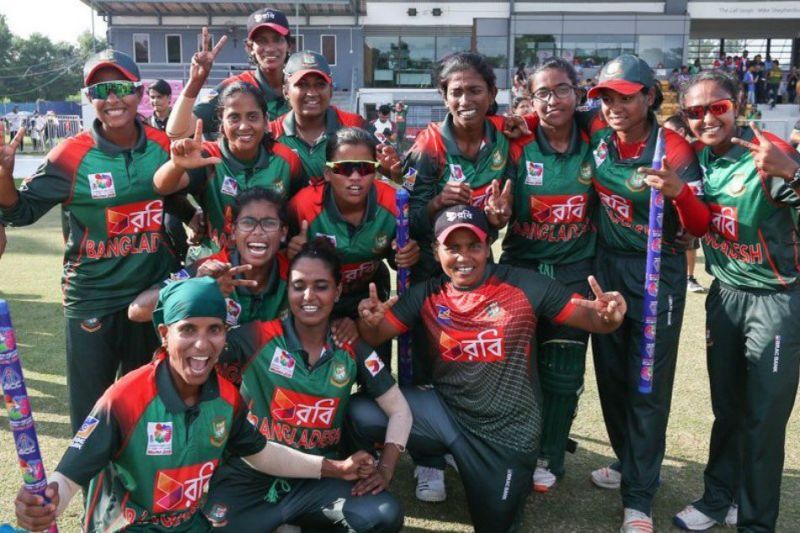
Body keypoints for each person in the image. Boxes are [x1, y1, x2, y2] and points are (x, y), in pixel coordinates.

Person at [13, 277, 376, 532]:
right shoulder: (124, 398)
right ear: (164, 334)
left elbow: (261, 453)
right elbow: (69, 476)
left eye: (214, 330)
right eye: (188, 329)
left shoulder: (226, 396)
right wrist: (43, 506)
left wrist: (336, 467)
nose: (203, 345)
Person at [348, 205, 627, 533]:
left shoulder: (526, 287)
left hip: (506, 434)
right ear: (437, 252)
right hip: (446, 416)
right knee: (358, 411)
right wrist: (369, 322)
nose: (463, 257)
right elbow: (377, 334)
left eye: (473, 246)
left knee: (495, 525)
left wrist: (610, 316)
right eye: (452, 248)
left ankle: (500, 482)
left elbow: (592, 319)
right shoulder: (427, 294)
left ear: (488, 247)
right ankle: (355, 492)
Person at [0, 50, 180, 434]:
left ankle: (135, 491)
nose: (112, 99)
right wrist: (3, 176)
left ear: (139, 92)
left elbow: (186, 194)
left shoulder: (162, 145)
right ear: (88, 97)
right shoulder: (70, 154)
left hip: (150, 297)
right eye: (101, 90)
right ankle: (94, 493)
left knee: (145, 405)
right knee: (91, 414)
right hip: (91, 298)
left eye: (121, 88)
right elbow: (20, 212)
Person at [655, 70, 800, 532]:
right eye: (695, 112)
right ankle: (719, 497)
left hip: (775, 302)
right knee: (728, 412)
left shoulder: (767, 153)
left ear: (738, 103)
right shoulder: (696, 161)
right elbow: (699, 221)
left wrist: (794, 170)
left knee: (762, 422)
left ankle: (755, 523)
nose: (706, 119)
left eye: (717, 107)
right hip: (725, 296)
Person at [204, 239, 410, 532]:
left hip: (320, 480)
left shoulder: (349, 344)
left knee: (384, 514)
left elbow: (400, 409)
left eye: (321, 286)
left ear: (338, 291)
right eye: (299, 286)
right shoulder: (255, 338)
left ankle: (294, 521)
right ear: (288, 290)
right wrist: (205, 294)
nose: (309, 295)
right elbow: (197, 355)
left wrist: (386, 469)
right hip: (249, 476)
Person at [581, 54, 704, 532]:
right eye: (606, 96)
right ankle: (627, 460)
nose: (613, 105)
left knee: (646, 384)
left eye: (625, 96)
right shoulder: (598, 131)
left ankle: (639, 497)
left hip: (656, 273)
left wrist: (679, 193)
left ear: (649, 97)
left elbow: (697, 227)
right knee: (610, 376)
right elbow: (555, 115)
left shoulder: (672, 148)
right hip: (607, 267)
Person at [402, 51, 513, 502]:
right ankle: (427, 461)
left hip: (476, 275)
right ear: (443, 97)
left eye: (474, 90)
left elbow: (502, 212)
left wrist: (498, 219)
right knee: (424, 365)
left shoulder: (506, 140)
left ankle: (460, 446)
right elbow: (401, 216)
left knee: (467, 365)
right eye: (456, 91)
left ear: (491, 95)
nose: (465, 99)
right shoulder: (426, 145)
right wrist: (434, 204)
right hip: (429, 274)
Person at [501, 57, 597, 492]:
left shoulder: (597, 139)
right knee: (517, 367)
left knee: (563, 368)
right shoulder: (516, 143)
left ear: (577, 92)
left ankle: (550, 454)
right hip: (521, 269)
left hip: (574, 270)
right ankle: (515, 446)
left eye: (562, 89)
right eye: (542, 92)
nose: (553, 99)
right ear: (530, 98)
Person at [287, 127, 420, 365]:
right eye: (345, 169)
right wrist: (290, 254)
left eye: (366, 168)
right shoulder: (303, 206)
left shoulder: (394, 202)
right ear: (327, 173)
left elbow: (395, 256)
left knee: (376, 370)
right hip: (319, 298)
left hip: (369, 296)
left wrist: (405, 254)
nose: (356, 177)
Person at [154, 81, 304, 257]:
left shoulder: (286, 160)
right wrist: (176, 165)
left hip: (269, 264)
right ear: (221, 123)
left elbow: (300, 208)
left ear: (265, 122)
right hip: (216, 263)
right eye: (234, 118)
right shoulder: (207, 157)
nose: (243, 126)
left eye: (252, 117)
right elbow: (161, 187)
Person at [171, 8, 292, 141]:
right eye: (262, 41)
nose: (270, 48)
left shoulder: (302, 86)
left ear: (289, 45)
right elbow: (176, 133)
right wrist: (194, 82)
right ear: (250, 47)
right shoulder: (234, 87)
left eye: (277, 39)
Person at [269, 51, 370, 185]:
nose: (312, 93)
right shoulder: (270, 135)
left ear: (331, 90)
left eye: (320, 84)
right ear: (286, 91)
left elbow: (399, 176)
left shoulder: (356, 126)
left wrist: (395, 174)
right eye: (302, 85)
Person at [663, 114, 707, 294]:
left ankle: (689, 277)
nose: (664, 136)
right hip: (672, 208)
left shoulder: (696, 150)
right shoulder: (668, 152)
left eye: (668, 131)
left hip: (693, 205)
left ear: (681, 131)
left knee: (690, 242)